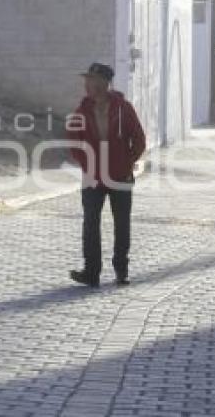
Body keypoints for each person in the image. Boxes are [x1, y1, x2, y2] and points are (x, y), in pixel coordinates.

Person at [66, 63, 146, 288]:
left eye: (91, 80)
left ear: (103, 83)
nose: (87, 85)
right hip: (93, 177)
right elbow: (74, 141)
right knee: (90, 223)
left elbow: (139, 139)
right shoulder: (82, 110)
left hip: (120, 176)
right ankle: (91, 273)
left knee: (122, 224)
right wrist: (86, 164)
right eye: (86, 80)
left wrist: (126, 162)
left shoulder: (123, 108)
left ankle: (121, 270)